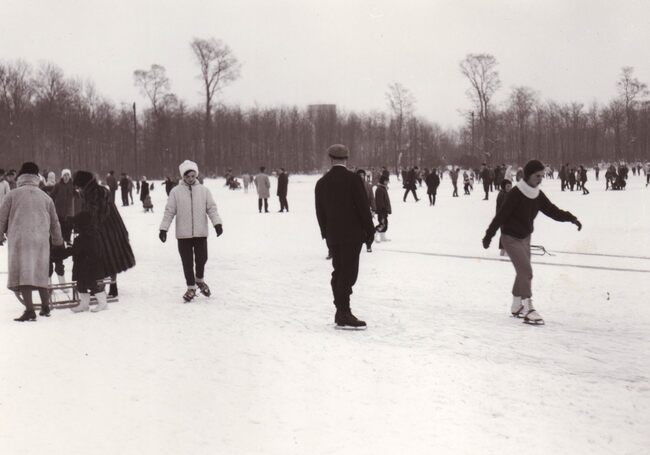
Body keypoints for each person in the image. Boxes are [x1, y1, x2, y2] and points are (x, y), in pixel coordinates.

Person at [482, 160, 582, 325]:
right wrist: (489, 235)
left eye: (542, 176)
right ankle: (528, 308)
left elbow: (552, 210)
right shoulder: (516, 193)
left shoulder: (537, 194)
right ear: (528, 175)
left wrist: (571, 218)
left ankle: (516, 305)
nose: (540, 179)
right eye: (537, 176)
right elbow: (500, 216)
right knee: (526, 271)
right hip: (510, 238)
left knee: (522, 271)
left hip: (525, 237)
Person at [315, 144, 375, 329]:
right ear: (346, 159)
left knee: (339, 271)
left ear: (330, 158)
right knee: (348, 274)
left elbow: (320, 211)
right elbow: (363, 207)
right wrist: (370, 230)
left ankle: (340, 311)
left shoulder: (322, 182)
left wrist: (325, 233)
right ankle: (343, 312)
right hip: (352, 235)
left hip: (333, 235)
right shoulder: (353, 179)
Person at [0, 162, 64, 321]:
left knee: (24, 273)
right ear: (36, 176)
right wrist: (58, 241)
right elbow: (55, 222)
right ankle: (45, 306)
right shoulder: (45, 197)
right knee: (40, 272)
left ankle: (29, 310)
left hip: (20, 240)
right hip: (41, 240)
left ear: (21, 175)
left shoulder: (12, 195)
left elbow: (1, 218)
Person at [159, 160, 223, 302]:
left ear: (196, 175)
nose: (190, 179)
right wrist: (164, 229)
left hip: (200, 232)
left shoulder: (204, 191)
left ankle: (199, 279)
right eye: (187, 176)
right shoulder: (175, 192)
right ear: (183, 176)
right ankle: (191, 287)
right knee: (187, 262)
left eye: (193, 176)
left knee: (202, 258)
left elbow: (211, 209)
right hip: (183, 234)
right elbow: (169, 211)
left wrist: (217, 224)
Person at [73, 170, 135, 302]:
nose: (78, 189)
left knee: (104, 259)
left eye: (79, 186)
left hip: (107, 230)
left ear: (83, 184)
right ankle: (109, 287)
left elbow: (96, 215)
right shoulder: (94, 191)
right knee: (110, 259)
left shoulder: (95, 193)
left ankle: (106, 288)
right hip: (111, 229)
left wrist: (83, 225)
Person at [63, 211, 108, 313]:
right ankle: (84, 304)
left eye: (77, 224)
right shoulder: (93, 234)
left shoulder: (84, 237)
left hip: (89, 266)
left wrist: (61, 253)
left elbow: (75, 250)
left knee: (93, 284)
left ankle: (103, 303)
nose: (75, 226)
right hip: (84, 265)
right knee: (81, 285)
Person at [495, 179, 512, 256]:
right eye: (508, 186)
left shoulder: (506, 194)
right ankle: (503, 251)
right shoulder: (502, 195)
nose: (510, 188)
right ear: (503, 186)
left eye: (510, 186)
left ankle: (504, 251)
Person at [374, 174, 392, 243]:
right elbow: (379, 201)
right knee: (382, 224)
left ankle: (382, 237)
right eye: (386, 181)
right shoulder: (380, 189)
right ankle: (374, 235)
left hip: (384, 210)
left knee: (385, 224)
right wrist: (382, 209)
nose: (387, 182)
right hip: (382, 210)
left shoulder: (383, 188)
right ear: (383, 181)